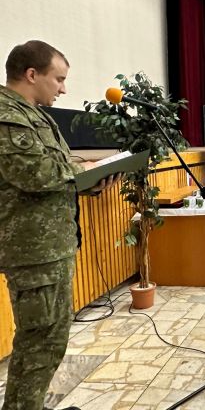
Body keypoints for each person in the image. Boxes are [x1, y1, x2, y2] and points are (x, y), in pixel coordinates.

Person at [0, 40, 118, 410]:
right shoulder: (7, 115)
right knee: (40, 342)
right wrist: (83, 170)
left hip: (50, 246)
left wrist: (93, 180)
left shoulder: (35, 114)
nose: (64, 89)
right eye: (59, 79)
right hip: (31, 250)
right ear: (31, 74)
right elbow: (34, 173)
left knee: (48, 338)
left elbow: (58, 172)